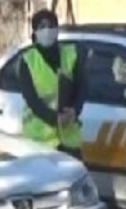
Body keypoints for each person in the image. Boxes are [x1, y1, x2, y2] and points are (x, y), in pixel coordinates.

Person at [18, 9, 86, 157]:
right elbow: (31, 100)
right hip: (40, 140)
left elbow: (81, 87)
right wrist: (54, 119)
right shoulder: (28, 60)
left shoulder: (71, 54)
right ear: (35, 32)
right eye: (41, 26)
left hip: (69, 139)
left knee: (75, 179)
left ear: (57, 30)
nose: (47, 30)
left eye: (51, 25)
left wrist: (75, 110)